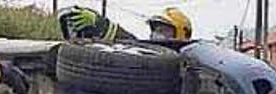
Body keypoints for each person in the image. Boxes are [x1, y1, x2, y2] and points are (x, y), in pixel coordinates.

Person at [59, 6, 192, 42]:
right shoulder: (151, 54)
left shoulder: (189, 62)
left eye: (164, 30)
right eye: (156, 29)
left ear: (182, 33)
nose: (157, 34)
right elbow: (130, 42)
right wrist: (100, 26)